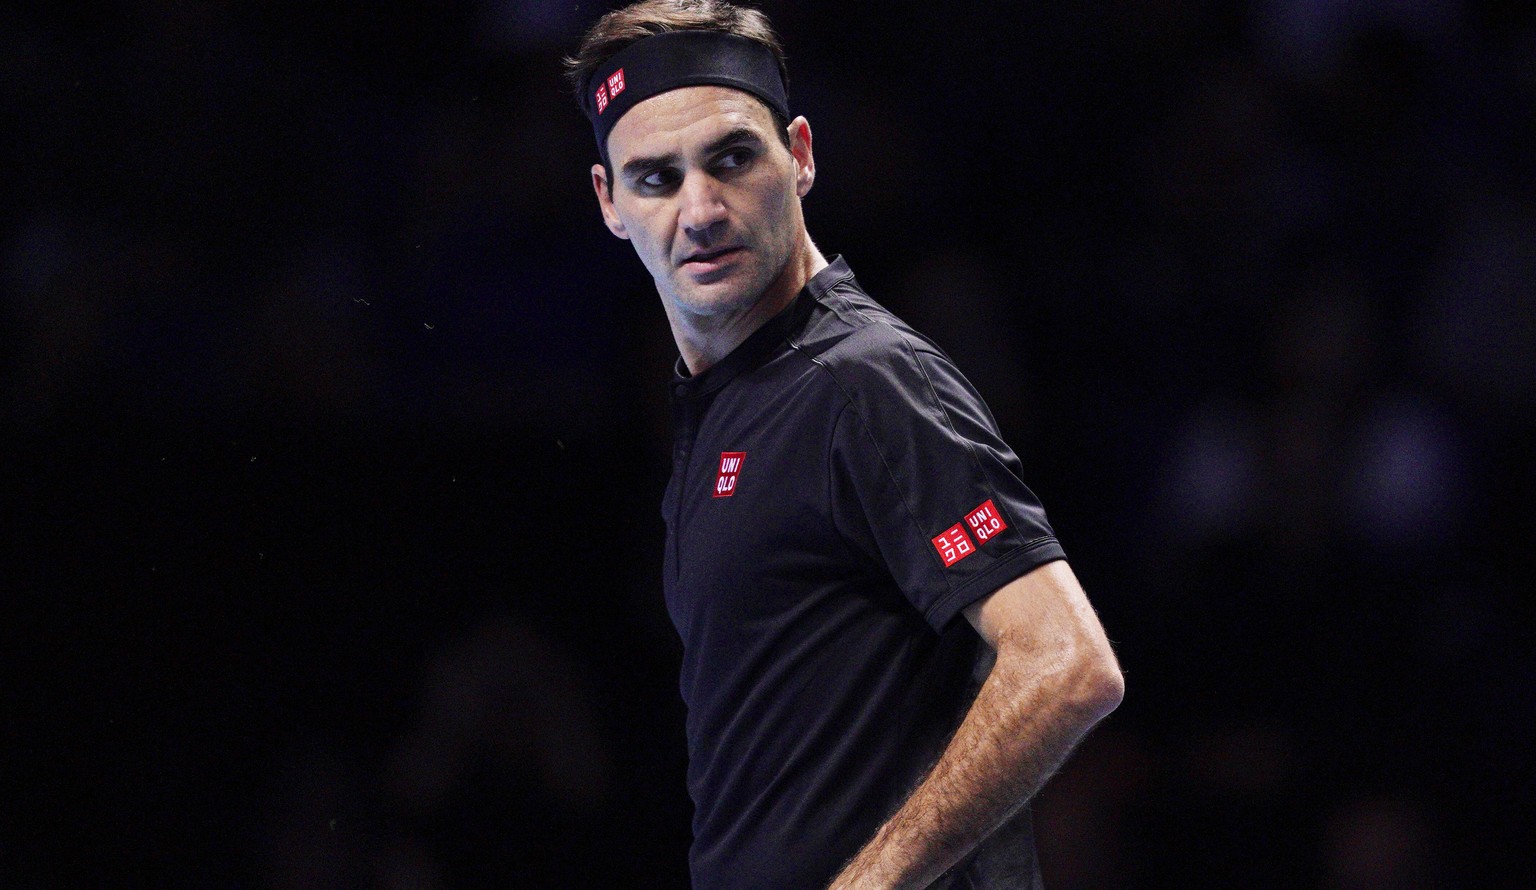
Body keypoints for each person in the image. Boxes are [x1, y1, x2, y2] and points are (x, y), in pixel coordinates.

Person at [564, 3, 1123, 887]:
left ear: (802, 155)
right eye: (656, 178)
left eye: (733, 158)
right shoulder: (723, 409)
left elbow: (1066, 663)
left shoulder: (865, 381)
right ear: (610, 203)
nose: (701, 208)